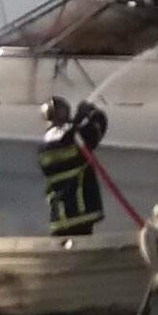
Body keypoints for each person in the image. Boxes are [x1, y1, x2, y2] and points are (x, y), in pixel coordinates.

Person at [37, 96, 110, 236]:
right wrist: (91, 112)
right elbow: (98, 127)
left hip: (59, 217)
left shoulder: (43, 150)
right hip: (80, 213)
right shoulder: (76, 141)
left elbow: (66, 138)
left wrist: (77, 120)